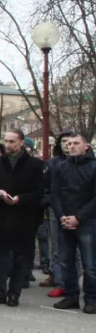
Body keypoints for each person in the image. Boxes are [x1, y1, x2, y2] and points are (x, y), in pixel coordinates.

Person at [0, 129, 44, 307]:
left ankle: (14, 293)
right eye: (7, 141)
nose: (8, 145)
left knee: (21, 257)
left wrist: (21, 199)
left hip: (23, 216)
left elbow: (39, 191)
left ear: (22, 143)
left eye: (12, 141)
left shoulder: (35, 164)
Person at [50, 133, 96, 314]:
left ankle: (91, 299)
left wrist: (79, 218)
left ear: (86, 146)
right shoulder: (60, 167)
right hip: (65, 221)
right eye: (68, 144)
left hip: (88, 222)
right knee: (66, 262)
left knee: (90, 264)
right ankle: (71, 296)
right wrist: (62, 216)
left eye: (76, 143)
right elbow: (55, 194)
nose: (71, 146)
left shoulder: (94, 167)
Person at [41, 130, 78, 298]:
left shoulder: (85, 163)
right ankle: (60, 281)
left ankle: (74, 284)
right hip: (58, 211)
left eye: (71, 142)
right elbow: (49, 188)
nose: (67, 145)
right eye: (64, 142)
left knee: (78, 251)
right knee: (56, 248)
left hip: (80, 213)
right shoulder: (54, 163)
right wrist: (51, 204)